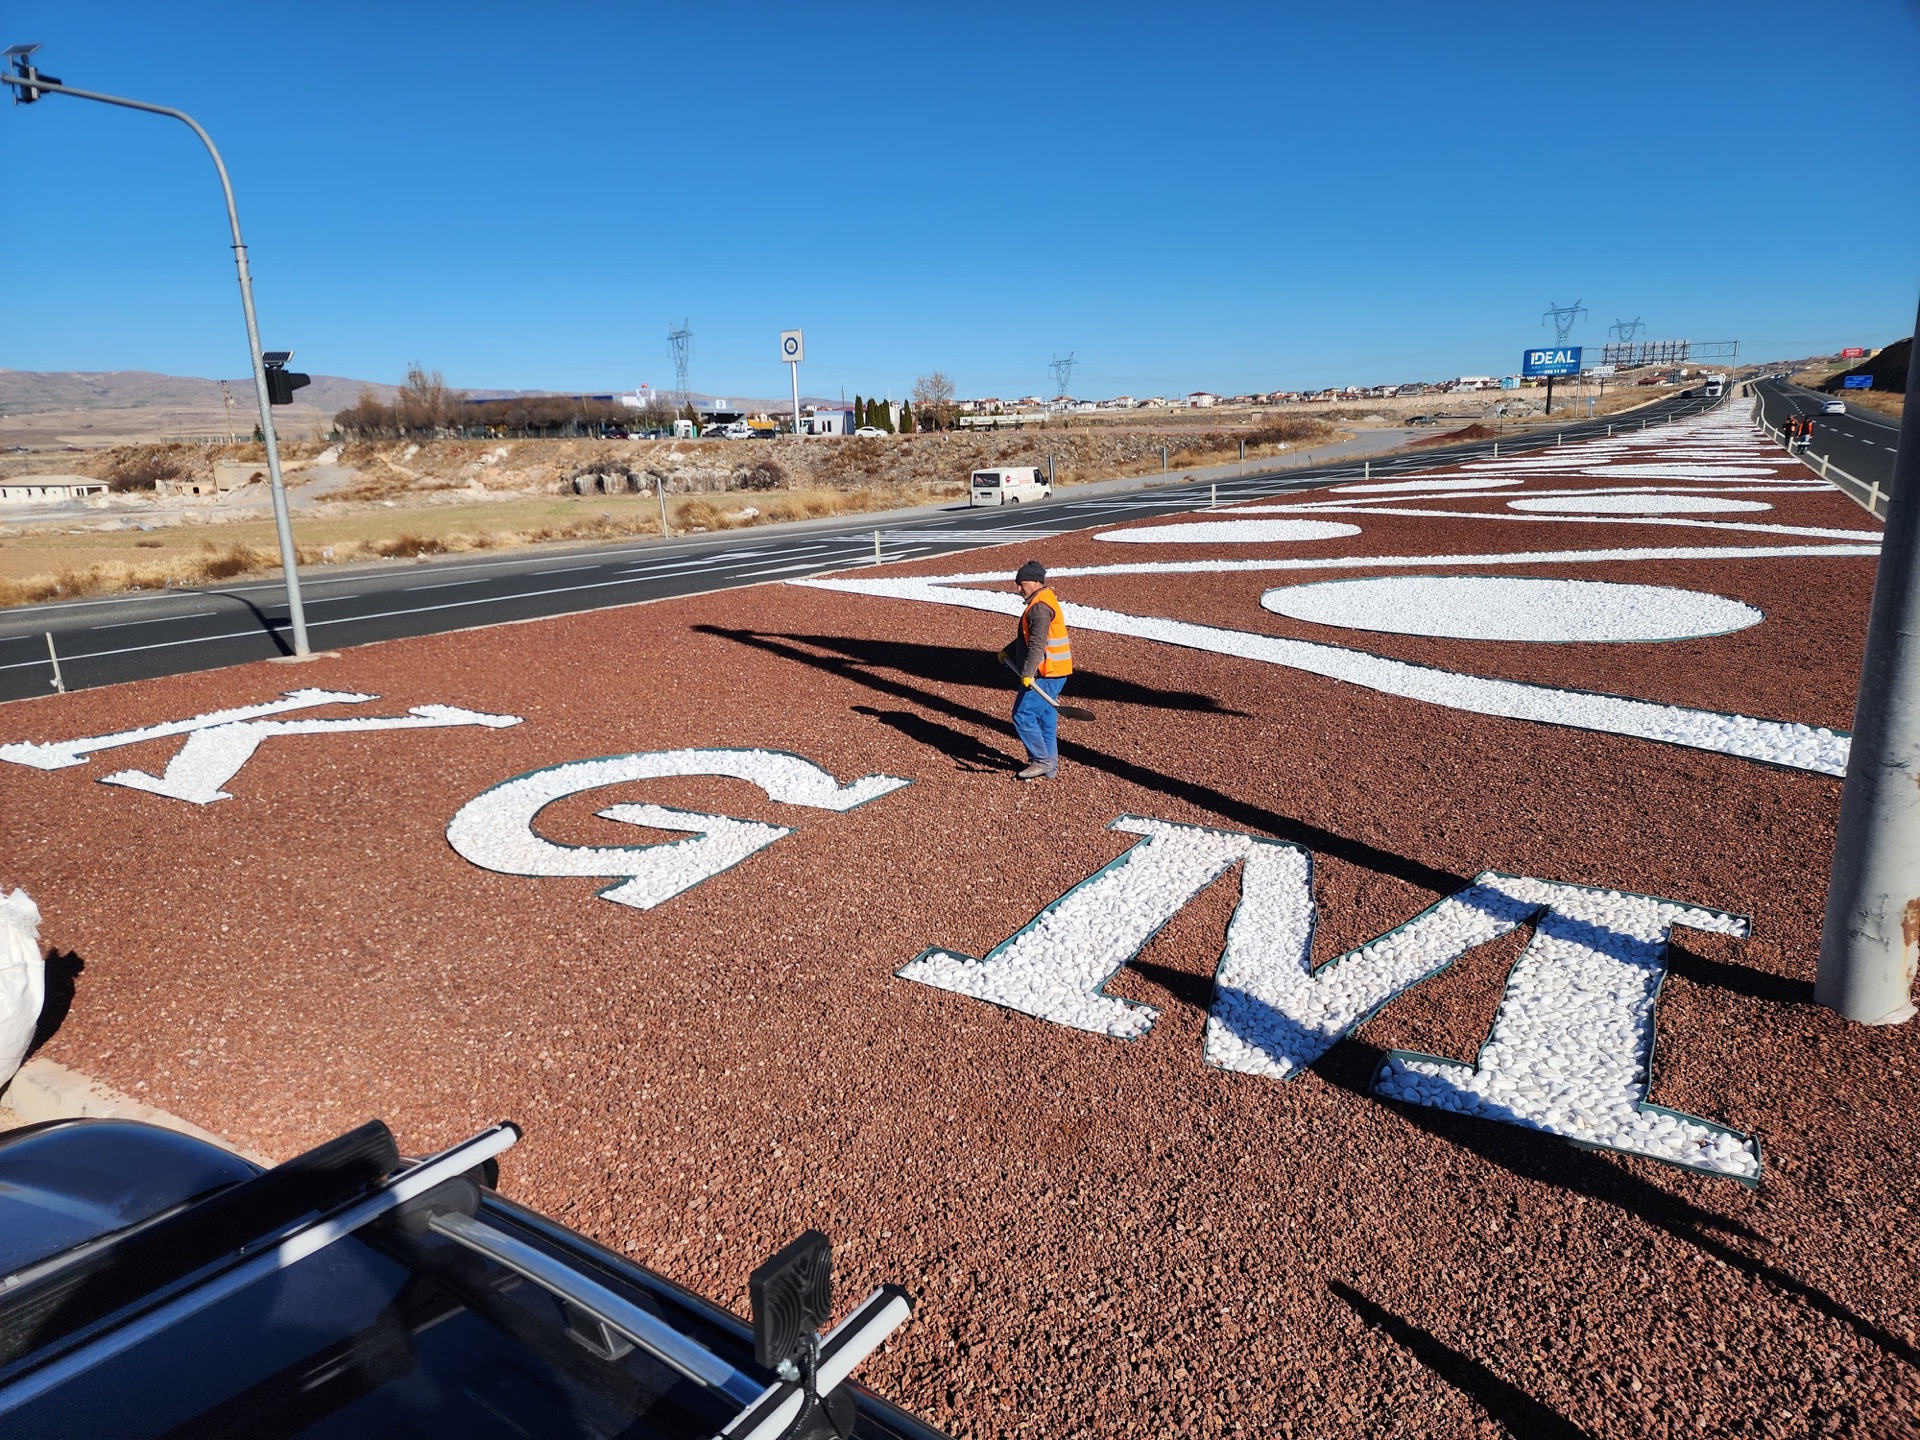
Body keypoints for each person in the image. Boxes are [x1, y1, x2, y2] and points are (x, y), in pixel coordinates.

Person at [998, 560, 1072, 781]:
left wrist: (1028, 673)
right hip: (1056, 671)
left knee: (1023, 715)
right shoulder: (1042, 602)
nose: (1018, 589)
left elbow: (1038, 644)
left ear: (1035, 582)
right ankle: (1050, 767)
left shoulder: (1039, 608)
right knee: (1046, 717)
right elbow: (1028, 636)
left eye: (1021, 584)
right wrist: (1008, 651)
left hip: (1045, 673)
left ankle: (1041, 760)